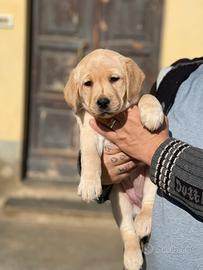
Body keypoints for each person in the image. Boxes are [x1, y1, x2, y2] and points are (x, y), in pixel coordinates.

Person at [89, 58, 203, 269]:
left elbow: (148, 148)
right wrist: (100, 170)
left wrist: (158, 153)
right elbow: (128, 128)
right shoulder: (176, 74)